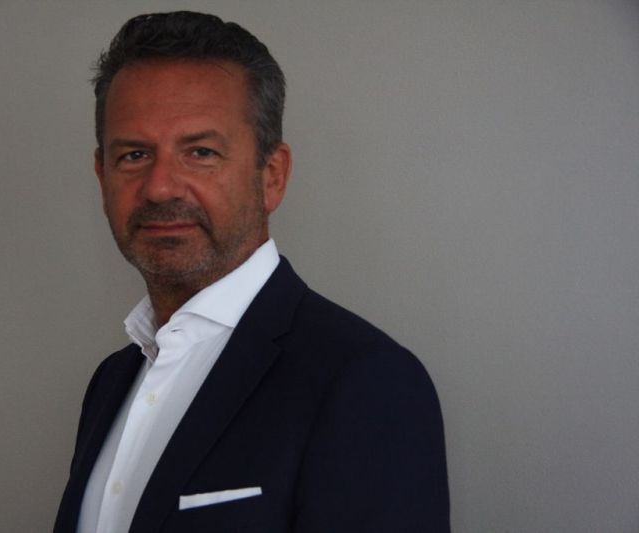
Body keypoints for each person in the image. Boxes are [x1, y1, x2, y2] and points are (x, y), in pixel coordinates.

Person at [55, 11, 449, 533]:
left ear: (272, 176)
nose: (160, 187)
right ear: (101, 173)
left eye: (200, 152)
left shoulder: (366, 382)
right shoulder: (111, 382)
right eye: (134, 155)